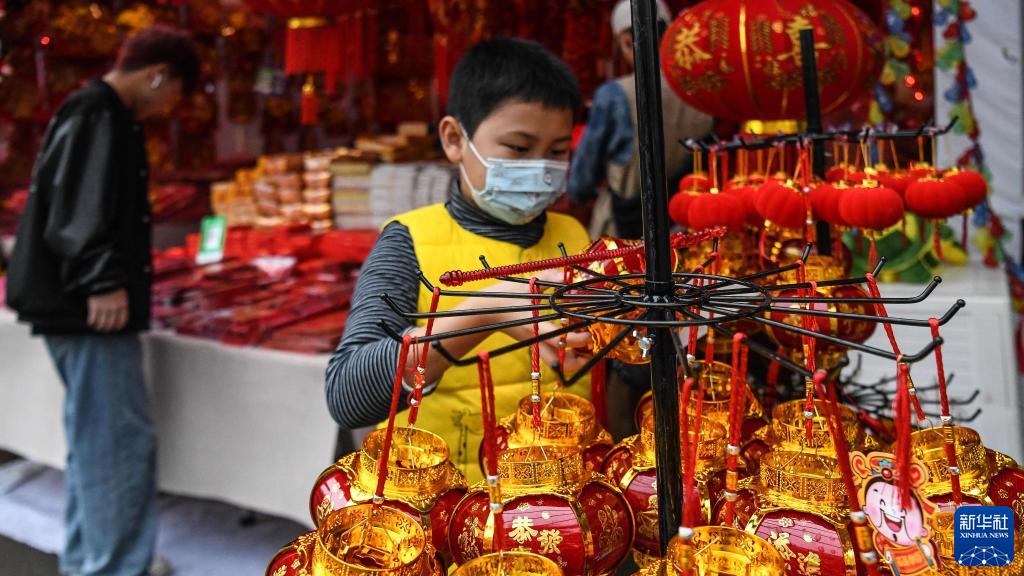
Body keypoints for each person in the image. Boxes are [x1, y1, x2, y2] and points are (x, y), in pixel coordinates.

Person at [326, 38, 594, 481]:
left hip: (562, 505)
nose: (540, 167)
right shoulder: (409, 241)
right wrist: (484, 311)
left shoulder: (575, 237)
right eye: (519, 148)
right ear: (454, 139)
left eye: (557, 151)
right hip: (446, 508)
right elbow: (347, 395)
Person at [6, 25, 199, 576]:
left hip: (76, 306)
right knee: (115, 444)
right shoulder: (99, 113)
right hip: (88, 309)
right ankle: (113, 566)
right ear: (157, 74)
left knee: (97, 442)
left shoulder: (93, 112)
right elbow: (77, 209)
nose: (171, 107)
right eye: (175, 92)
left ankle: (91, 559)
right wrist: (101, 279)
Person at [568, 0, 713, 239]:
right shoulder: (699, 88)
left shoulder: (615, 95)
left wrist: (578, 196)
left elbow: (582, 181)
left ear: (626, 42)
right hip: (686, 225)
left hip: (626, 228)